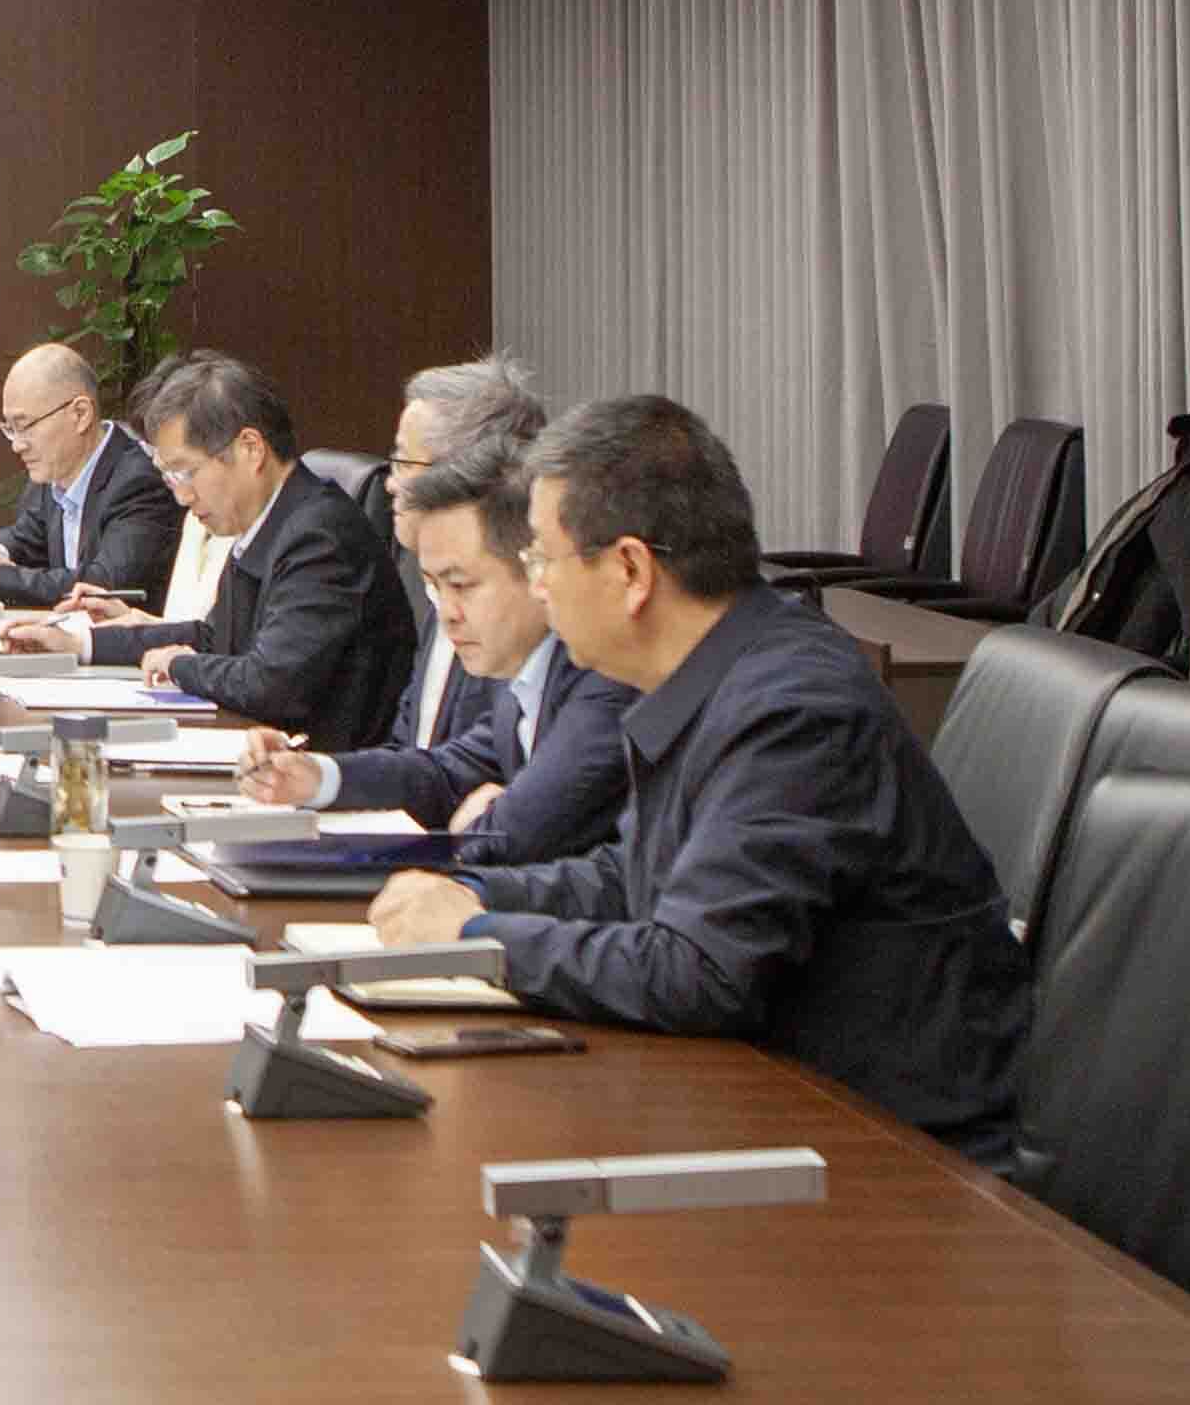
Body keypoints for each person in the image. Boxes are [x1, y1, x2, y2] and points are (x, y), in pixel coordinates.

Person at [366, 395, 1031, 1165]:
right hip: (775, 1104)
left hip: (894, 1154)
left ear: (630, 570)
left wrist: (476, 936)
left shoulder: (791, 709)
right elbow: (635, 876)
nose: (537, 588)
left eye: (543, 560)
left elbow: (701, 972)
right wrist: (478, 895)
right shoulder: (713, 673)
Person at [0, 350, 418, 751]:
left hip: (323, 774)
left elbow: (271, 683)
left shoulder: (319, 537)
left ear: (250, 448)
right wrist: (81, 644)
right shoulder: (269, 522)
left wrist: (179, 665)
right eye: (170, 477)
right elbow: (213, 637)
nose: (181, 496)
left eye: (187, 472)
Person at [240, 441, 626, 867]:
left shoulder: (605, 674)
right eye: (434, 588)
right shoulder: (524, 670)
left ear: (534, 569)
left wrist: (473, 830)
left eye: (461, 586)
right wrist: (317, 776)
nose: (447, 615)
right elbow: (448, 772)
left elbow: (519, 831)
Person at [384, 355, 553, 751]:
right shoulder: (432, 584)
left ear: (463, 472)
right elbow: (410, 751)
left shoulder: (527, 628)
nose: (390, 483)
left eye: (403, 462)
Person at [0, 341, 180, 611]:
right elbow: (23, 538)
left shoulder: (139, 481)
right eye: (10, 429)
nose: (17, 445)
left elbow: (103, 586)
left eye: (25, 426)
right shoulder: (52, 473)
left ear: (80, 414)